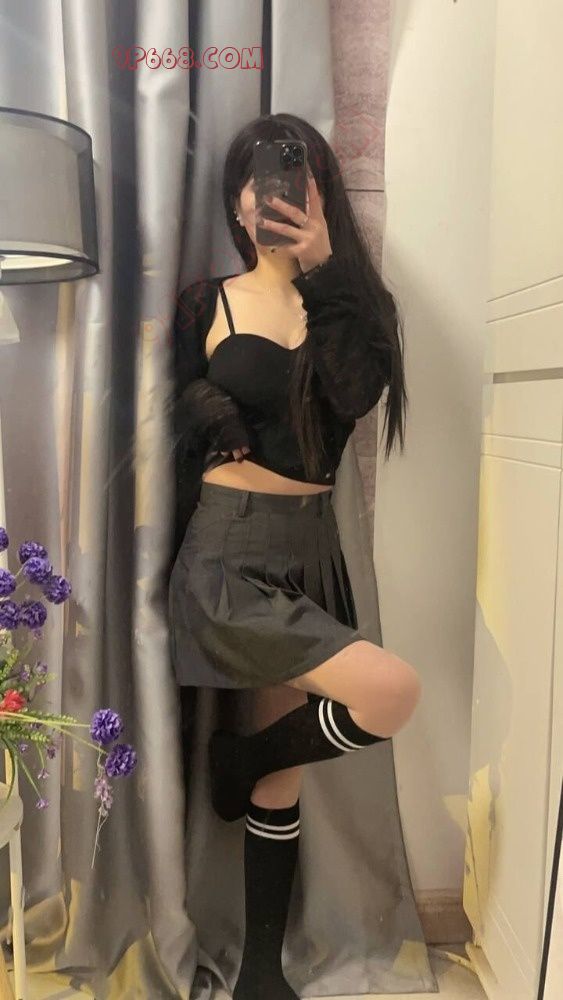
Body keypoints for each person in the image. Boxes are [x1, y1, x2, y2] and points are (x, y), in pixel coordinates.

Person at [168, 112, 422, 1000]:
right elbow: (177, 391)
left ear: (320, 194)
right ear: (237, 202)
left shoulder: (354, 303)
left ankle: (261, 974)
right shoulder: (205, 301)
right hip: (228, 551)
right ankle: (238, 765)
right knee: (390, 691)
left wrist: (324, 270)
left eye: (292, 174)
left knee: (281, 771)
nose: (270, 192)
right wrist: (212, 412)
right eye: (254, 177)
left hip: (310, 551)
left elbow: (351, 396)